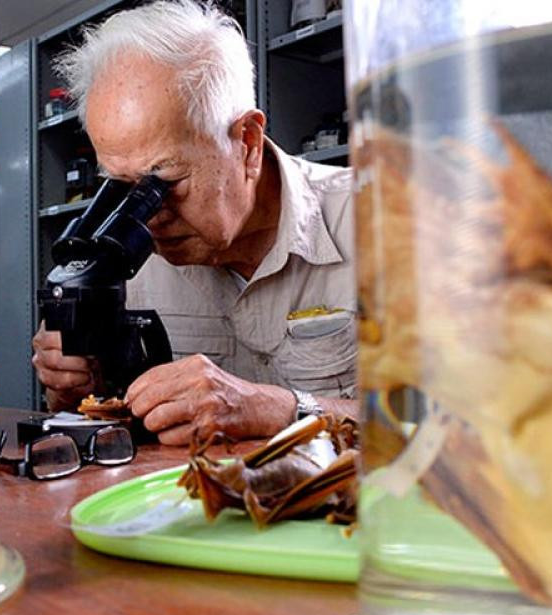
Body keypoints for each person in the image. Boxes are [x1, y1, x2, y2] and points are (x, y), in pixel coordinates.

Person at [31, 0, 356, 445]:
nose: (151, 216)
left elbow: (462, 424)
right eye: (123, 186)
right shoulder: (130, 265)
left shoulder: (388, 222)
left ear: (248, 143)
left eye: (165, 180)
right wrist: (77, 391)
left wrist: (281, 410)